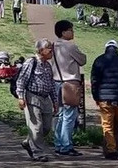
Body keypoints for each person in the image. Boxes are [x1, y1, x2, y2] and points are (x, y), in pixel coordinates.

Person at [16, 39, 59, 163]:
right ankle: (38, 153)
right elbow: (21, 80)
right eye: (49, 49)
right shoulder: (31, 62)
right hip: (32, 97)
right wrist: (21, 97)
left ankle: (28, 142)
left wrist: (55, 101)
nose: (52, 51)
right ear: (41, 50)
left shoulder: (47, 65)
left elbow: (51, 84)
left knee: (46, 127)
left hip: (46, 99)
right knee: (36, 127)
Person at [51, 19, 87, 157]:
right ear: (63, 32)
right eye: (71, 30)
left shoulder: (53, 46)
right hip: (70, 82)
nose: (73, 32)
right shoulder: (70, 46)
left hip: (56, 82)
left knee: (59, 115)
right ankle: (66, 145)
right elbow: (83, 60)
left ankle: (58, 143)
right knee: (69, 115)